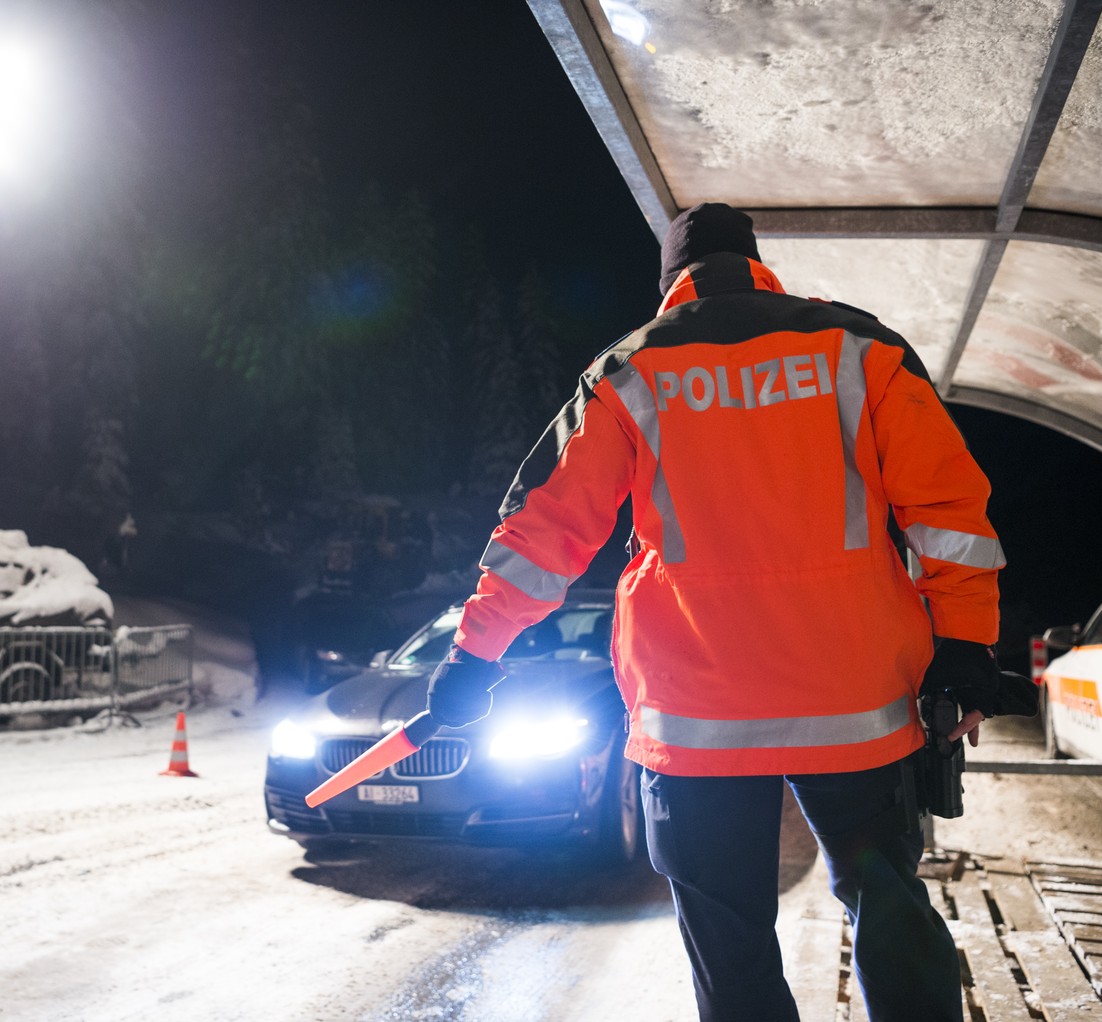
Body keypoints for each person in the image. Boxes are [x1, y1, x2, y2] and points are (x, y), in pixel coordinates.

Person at [424, 203, 1036, 1021]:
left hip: (696, 716)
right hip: (856, 703)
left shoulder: (627, 372)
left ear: (671, 284)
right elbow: (949, 512)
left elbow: (545, 532)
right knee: (887, 903)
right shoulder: (861, 348)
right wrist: (965, 643)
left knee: (729, 944)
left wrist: (476, 654)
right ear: (756, 265)